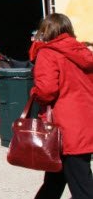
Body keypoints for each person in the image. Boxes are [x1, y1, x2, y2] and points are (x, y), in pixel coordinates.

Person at [30, 13, 93, 199]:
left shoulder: (48, 53)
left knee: (82, 185)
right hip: (84, 120)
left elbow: (46, 90)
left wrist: (34, 92)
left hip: (64, 126)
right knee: (56, 177)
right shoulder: (83, 52)